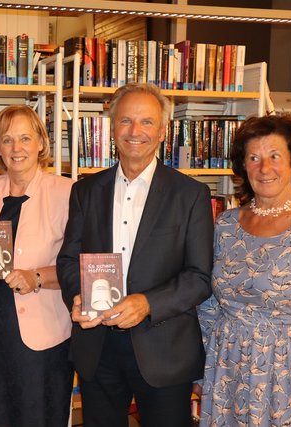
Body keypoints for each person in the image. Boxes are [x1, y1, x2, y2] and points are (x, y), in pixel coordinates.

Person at [56, 83, 214, 427]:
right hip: (97, 347)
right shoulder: (85, 191)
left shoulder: (191, 195)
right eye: (126, 121)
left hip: (164, 348)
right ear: (112, 129)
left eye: (146, 122)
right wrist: (78, 295)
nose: (135, 131)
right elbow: (68, 260)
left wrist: (147, 303)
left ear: (161, 131)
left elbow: (199, 277)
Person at [197, 115, 291, 426]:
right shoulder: (225, 224)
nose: (264, 168)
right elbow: (209, 304)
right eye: (253, 158)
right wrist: (200, 369)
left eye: (274, 156)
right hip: (227, 366)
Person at [0, 105, 74, 426]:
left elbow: (80, 266)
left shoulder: (67, 193)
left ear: (40, 143)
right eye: (7, 140)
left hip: (44, 335)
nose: (16, 148)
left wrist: (37, 277)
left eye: (25, 138)